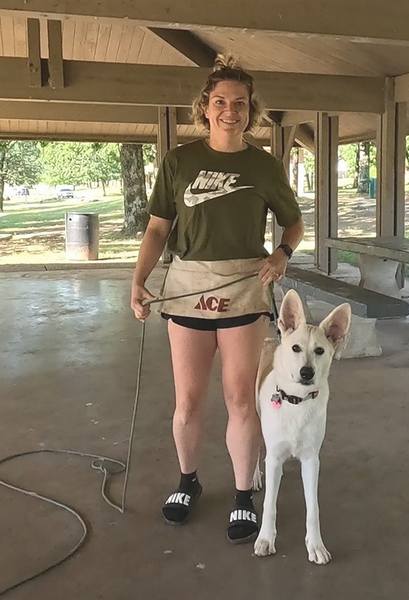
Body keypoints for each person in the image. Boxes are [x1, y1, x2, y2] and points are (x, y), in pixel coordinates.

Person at [130, 55, 304, 544]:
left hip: (245, 290)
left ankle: (244, 494)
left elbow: (293, 223)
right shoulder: (179, 161)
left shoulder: (264, 166)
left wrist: (282, 255)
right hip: (187, 288)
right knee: (187, 401)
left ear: (251, 110)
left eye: (240, 103)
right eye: (221, 101)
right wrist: (138, 280)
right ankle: (187, 482)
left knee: (240, 399)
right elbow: (158, 228)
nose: (231, 111)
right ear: (205, 107)